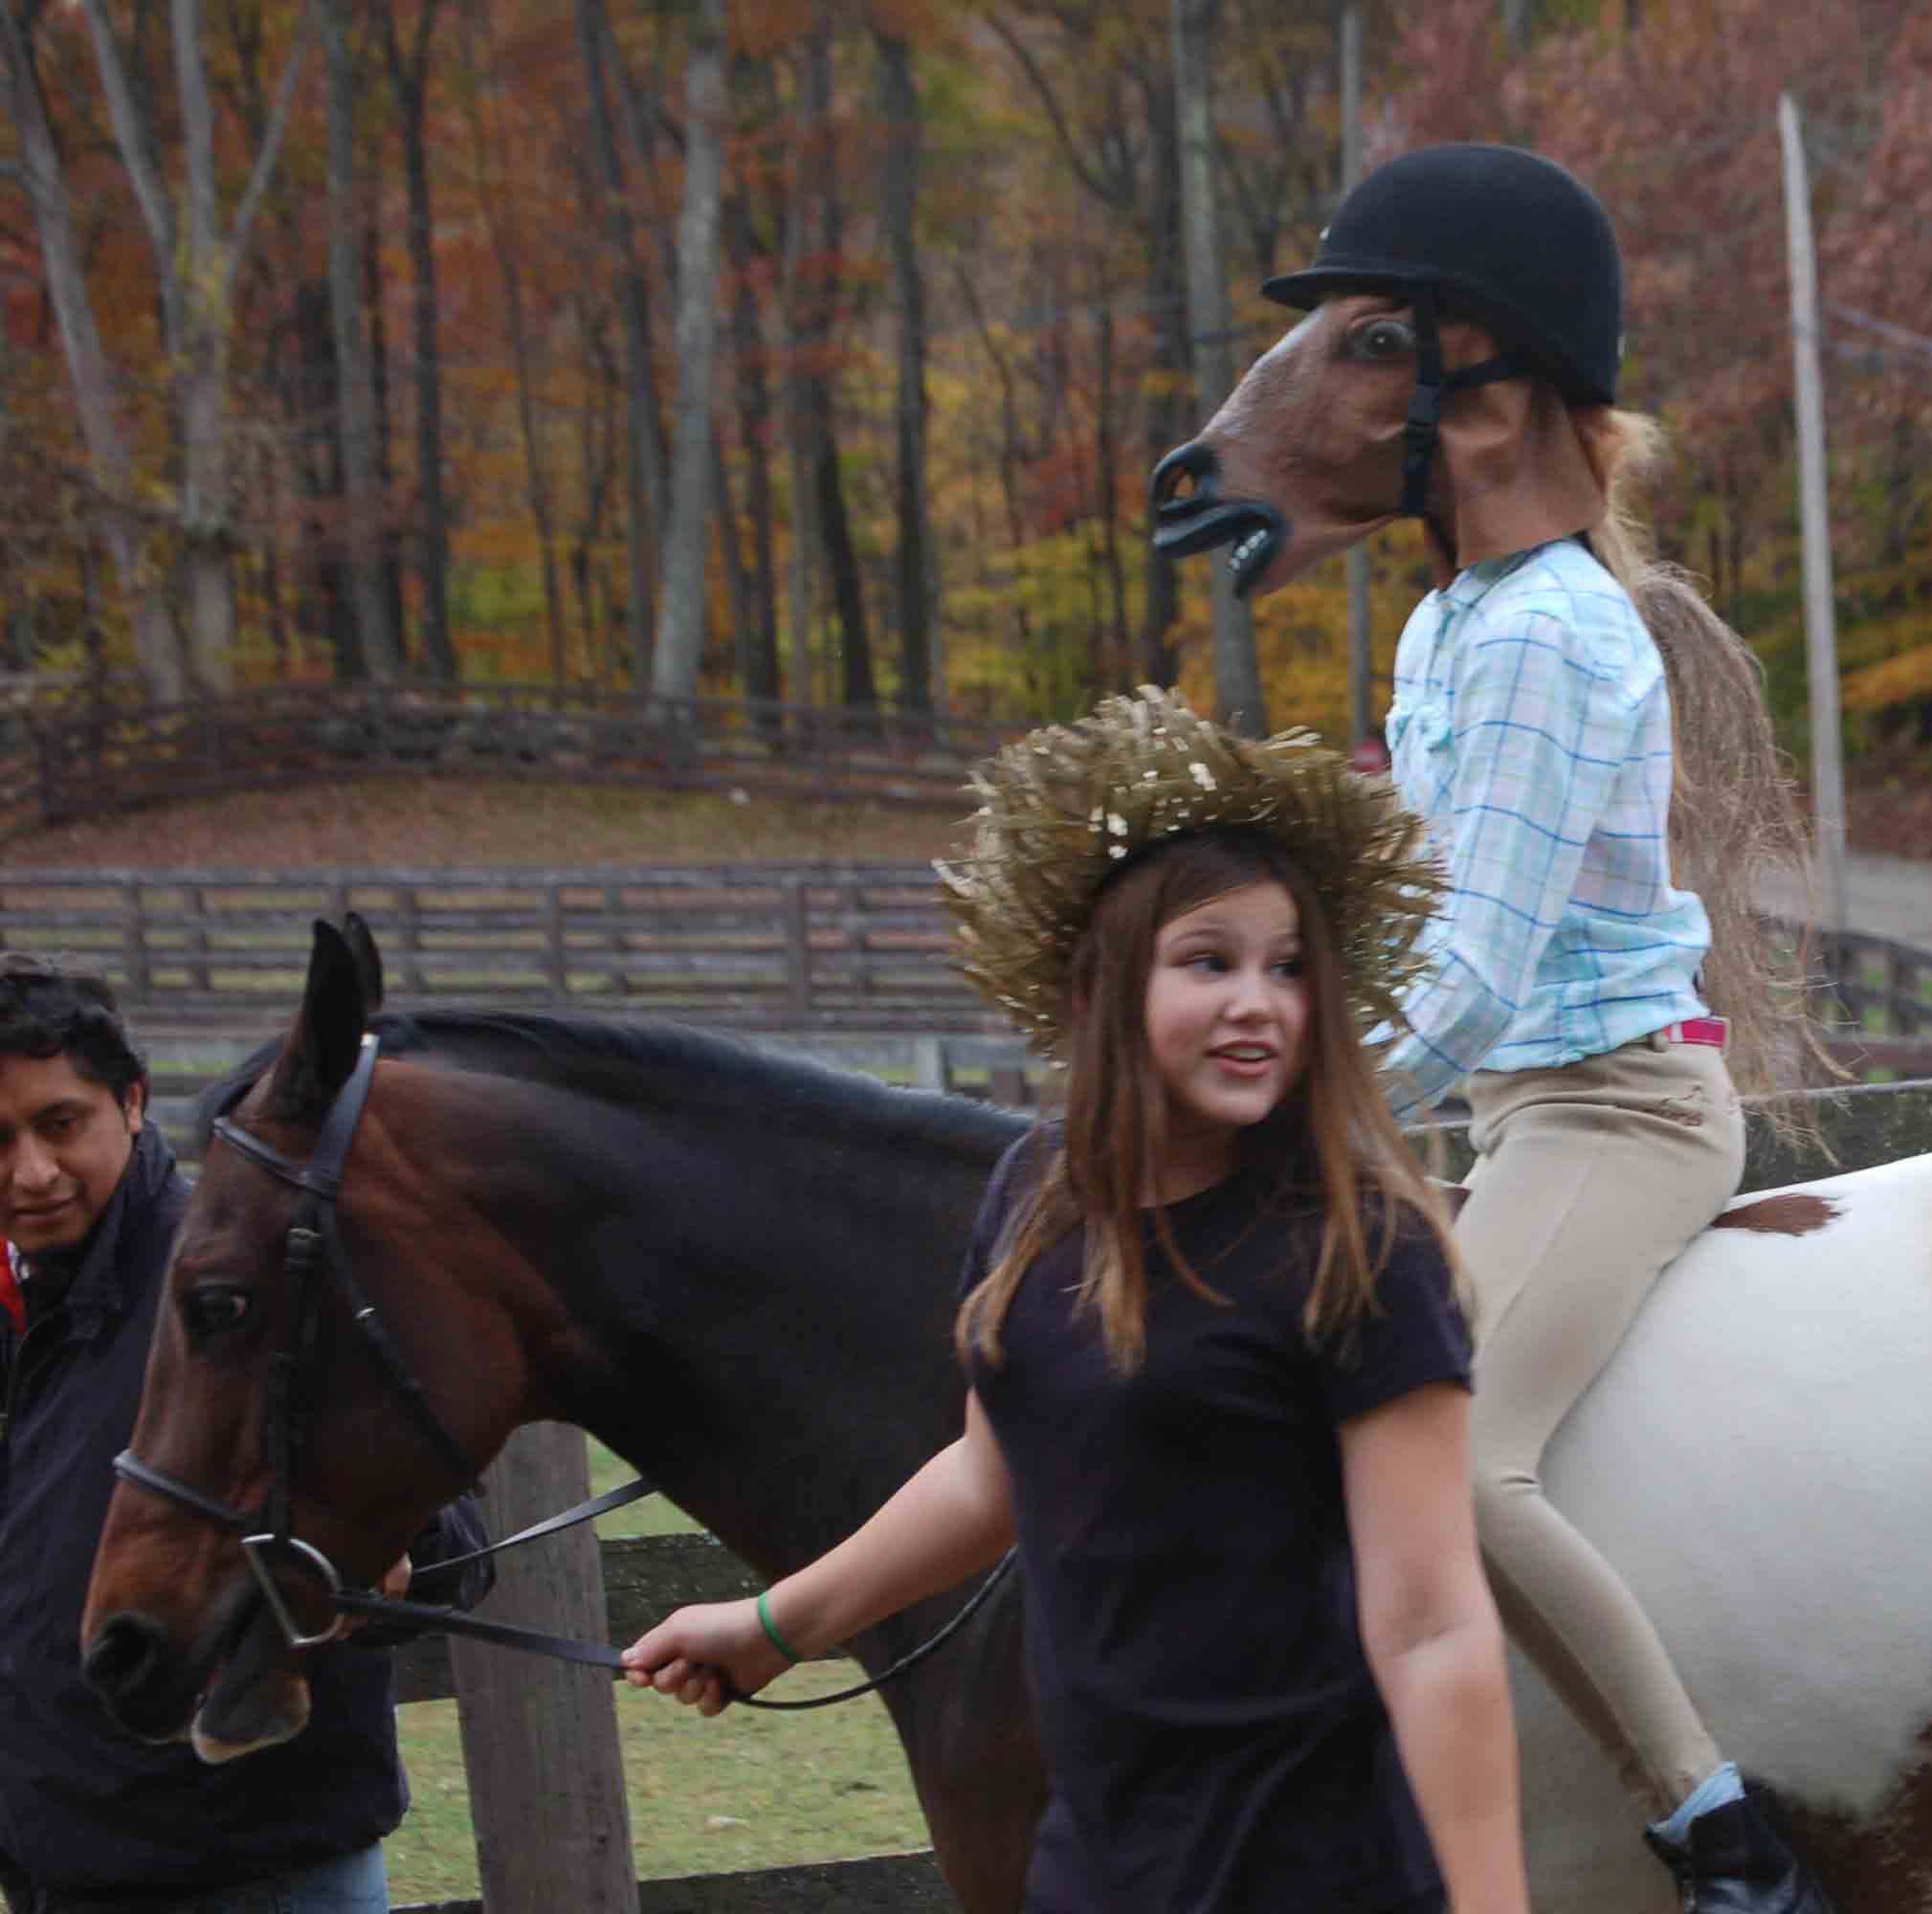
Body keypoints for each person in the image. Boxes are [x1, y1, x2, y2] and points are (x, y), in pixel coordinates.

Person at [1209, 143, 1840, 1912]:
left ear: (1480, 386)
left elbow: (1478, 971)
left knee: (1460, 1461)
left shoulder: (1548, 635)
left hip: (1616, 1116)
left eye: (1372, 345)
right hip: (1513, 1115)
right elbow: (1420, 925)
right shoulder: (1450, 623)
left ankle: (1717, 1831)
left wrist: (1265, 1117)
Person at [624, 691, 1527, 1914]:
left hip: (1315, 1873)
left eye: (1287, 967)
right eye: (1208, 959)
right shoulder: (1037, 1195)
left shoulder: (1357, 1247)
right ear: (1103, 986)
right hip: (1097, 1867)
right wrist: (771, 1626)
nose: (1257, 999)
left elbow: (1429, 1625)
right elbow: (986, 1476)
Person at [0, 952, 493, 1914]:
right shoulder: (18, 1309)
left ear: (132, 1101)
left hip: (259, 1879)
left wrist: (392, 1548)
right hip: (61, 1869)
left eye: (60, 1123)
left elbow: (454, 1549)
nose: (32, 1172)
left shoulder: (250, 1282)